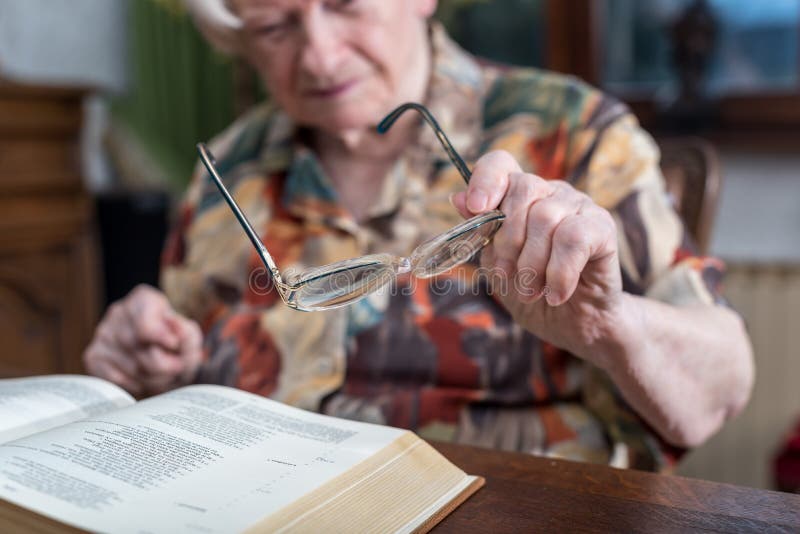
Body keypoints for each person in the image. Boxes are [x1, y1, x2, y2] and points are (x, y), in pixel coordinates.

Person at [83, 0, 754, 471]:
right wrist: (152, 359)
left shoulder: (574, 131)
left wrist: (613, 325)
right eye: (277, 27)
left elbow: (719, 390)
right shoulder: (226, 171)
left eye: (344, 3)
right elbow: (183, 351)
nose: (318, 55)